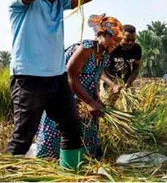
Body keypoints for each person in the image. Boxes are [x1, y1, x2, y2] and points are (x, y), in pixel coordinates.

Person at [6, 0, 96, 168]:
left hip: (57, 79)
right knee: (23, 137)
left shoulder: (58, 2)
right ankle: (2, 175)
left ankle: (69, 173)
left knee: (72, 128)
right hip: (29, 78)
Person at [36, 14, 123, 159]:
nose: (116, 43)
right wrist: (89, 102)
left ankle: (81, 164)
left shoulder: (104, 56)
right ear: (103, 33)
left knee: (86, 136)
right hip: (64, 97)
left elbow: (94, 80)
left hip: (82, 98)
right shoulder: (86, 47)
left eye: (118, 41)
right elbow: (70, 76)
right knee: (58, 137)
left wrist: (96, 100)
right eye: (114, 39)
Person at [102, 24, 142, 89]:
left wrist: (128, 83)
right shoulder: (111, 47)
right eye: (127, 40)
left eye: (133, 40)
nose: (130, 43)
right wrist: (113, 85)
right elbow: (100, 71)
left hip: (125, 86)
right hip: (109, 86)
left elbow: (136, 69)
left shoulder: (136, 48)